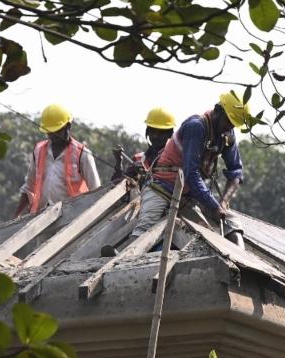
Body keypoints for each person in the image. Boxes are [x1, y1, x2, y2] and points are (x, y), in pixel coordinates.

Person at [122, 91, 252, 247]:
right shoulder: (196, 127)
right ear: (218, 111)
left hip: (192, 195)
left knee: (232, 224)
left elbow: (235, 172)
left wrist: (223, 203)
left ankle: (240, 263)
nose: (229, 128)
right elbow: (191, 173)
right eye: (228, 122)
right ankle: (123, 259)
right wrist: (214, 206)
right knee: (143, 234)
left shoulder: (227, 134)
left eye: (233, 125)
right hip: (162, 188)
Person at [14, 103, 101, 216]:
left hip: (71, 218)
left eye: (57, 131)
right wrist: (16, 216)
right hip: (40, 216)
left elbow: (96, 191)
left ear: (68, 126)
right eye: (49, 132)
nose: (53, 135)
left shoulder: (82, 155)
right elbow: (29, 188)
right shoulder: (39, 151)